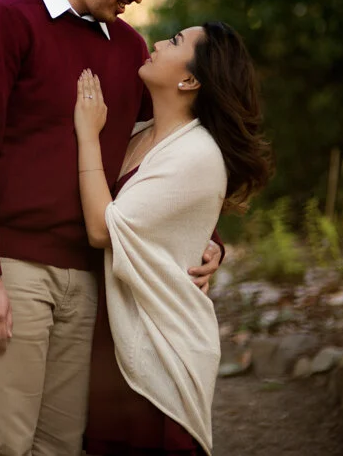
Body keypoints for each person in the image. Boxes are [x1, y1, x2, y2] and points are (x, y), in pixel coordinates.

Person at [0, 0, 224, 455]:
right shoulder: (0, 21)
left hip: (88, 283)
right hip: (10, 270)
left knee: (60, 448)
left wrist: (207, 236)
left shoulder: (126, 50)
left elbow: (161, 153)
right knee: (3, 445)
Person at [73, 22, 273, 455]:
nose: (160, 42)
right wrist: (210, 239)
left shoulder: (197, 154)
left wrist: (87, 134)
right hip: (115, 342)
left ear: (189, 79)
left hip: (160, 350)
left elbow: (101, 228)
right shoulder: (140, 131)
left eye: (176, 41)